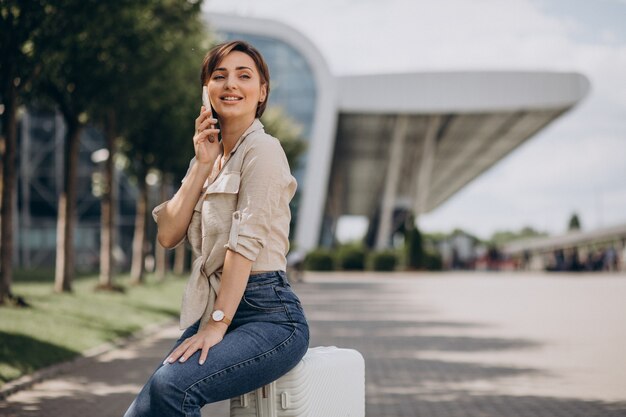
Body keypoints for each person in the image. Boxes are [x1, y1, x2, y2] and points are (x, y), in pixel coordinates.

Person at [124, 40, 309, 417]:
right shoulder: (214, 157)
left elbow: (244, 245)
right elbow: (168, 234)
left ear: (262, 92)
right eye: (219, 76)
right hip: (222, 306)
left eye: (244, 76)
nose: (231, 85)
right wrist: (201, 162)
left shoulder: (264, 150)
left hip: (269, 315)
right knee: (145, 410)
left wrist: (216, 324)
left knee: (172, 387)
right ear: (205, 90)